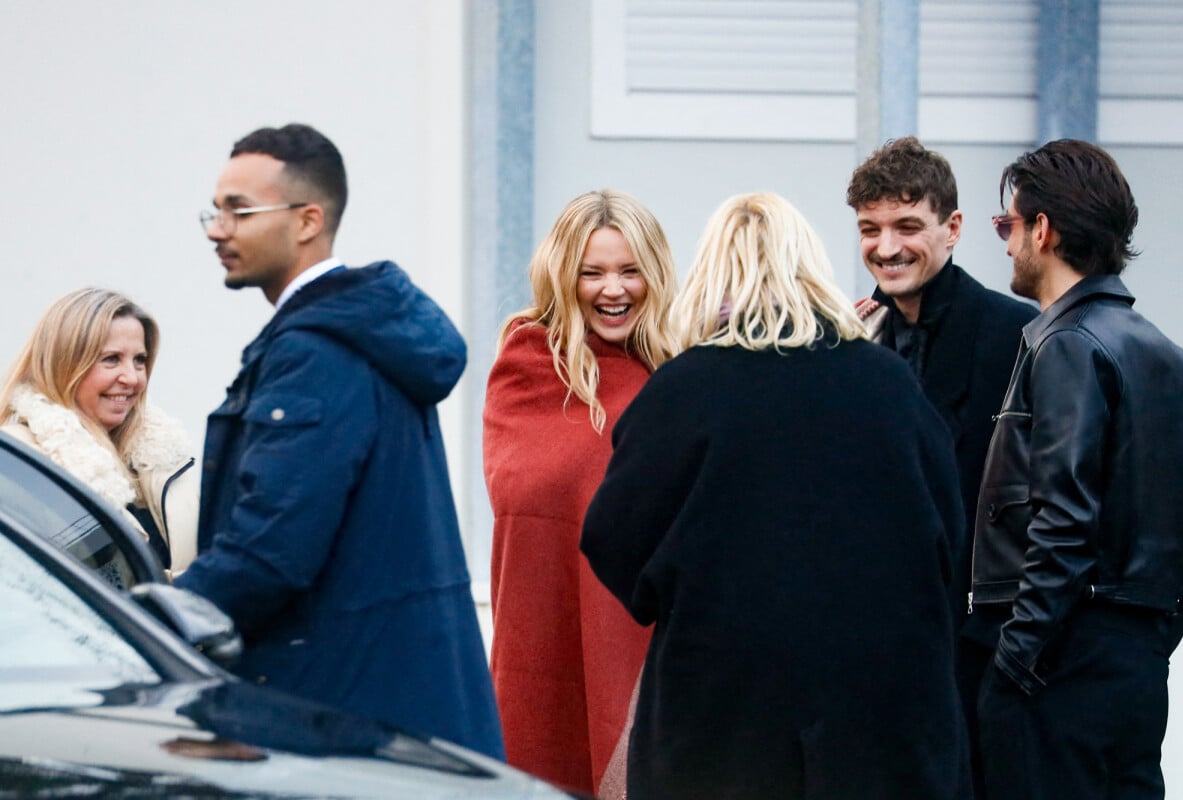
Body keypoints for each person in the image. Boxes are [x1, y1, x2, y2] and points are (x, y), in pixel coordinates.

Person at [581, 192, 970, 800]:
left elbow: (611, 537)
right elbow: (948, 535)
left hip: (719, 713)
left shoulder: (684, 390)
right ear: (810, 269)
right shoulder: (889, 384)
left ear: (711, 274)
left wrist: (681, 594)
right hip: (882, 716)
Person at [175, 123, 503, 759]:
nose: (218, 229)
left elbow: (272, 551)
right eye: (214, 211)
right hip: (386, 710)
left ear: (307, 220)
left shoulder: (315, 352)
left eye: (239, 211)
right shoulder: (361, 334)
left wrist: (149, 618)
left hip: (336, 718)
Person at [970, 139, 1183, 800]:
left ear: (1042, 231)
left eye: (1007, 226)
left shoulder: (1066, 344)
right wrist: (1145, 647)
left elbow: (1063, 521)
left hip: (1057, 665)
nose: (1007, 244)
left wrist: (1013, 662)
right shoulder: (1175, 360)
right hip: (1133, 668)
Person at [847, 136, 1036, 795]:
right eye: (869, 229)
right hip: (877, 660)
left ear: (953, 228)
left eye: (907, 226)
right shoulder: (850, 339)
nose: (886, 247)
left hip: (979, 659)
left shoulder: (1018, 334)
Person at [483, 189, 677, 795]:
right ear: (564, 277)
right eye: (591, 273)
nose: (612, 290)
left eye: (629, 272)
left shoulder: (679, 370)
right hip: (541, 630)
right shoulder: (528, 363)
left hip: (648, 636)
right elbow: (525, 492)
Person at [0, 288, 197, 577]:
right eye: (111, 359)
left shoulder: (161, 455)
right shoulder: (20, 464)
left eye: (139, 360)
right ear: (64, 364)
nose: (132, 378)